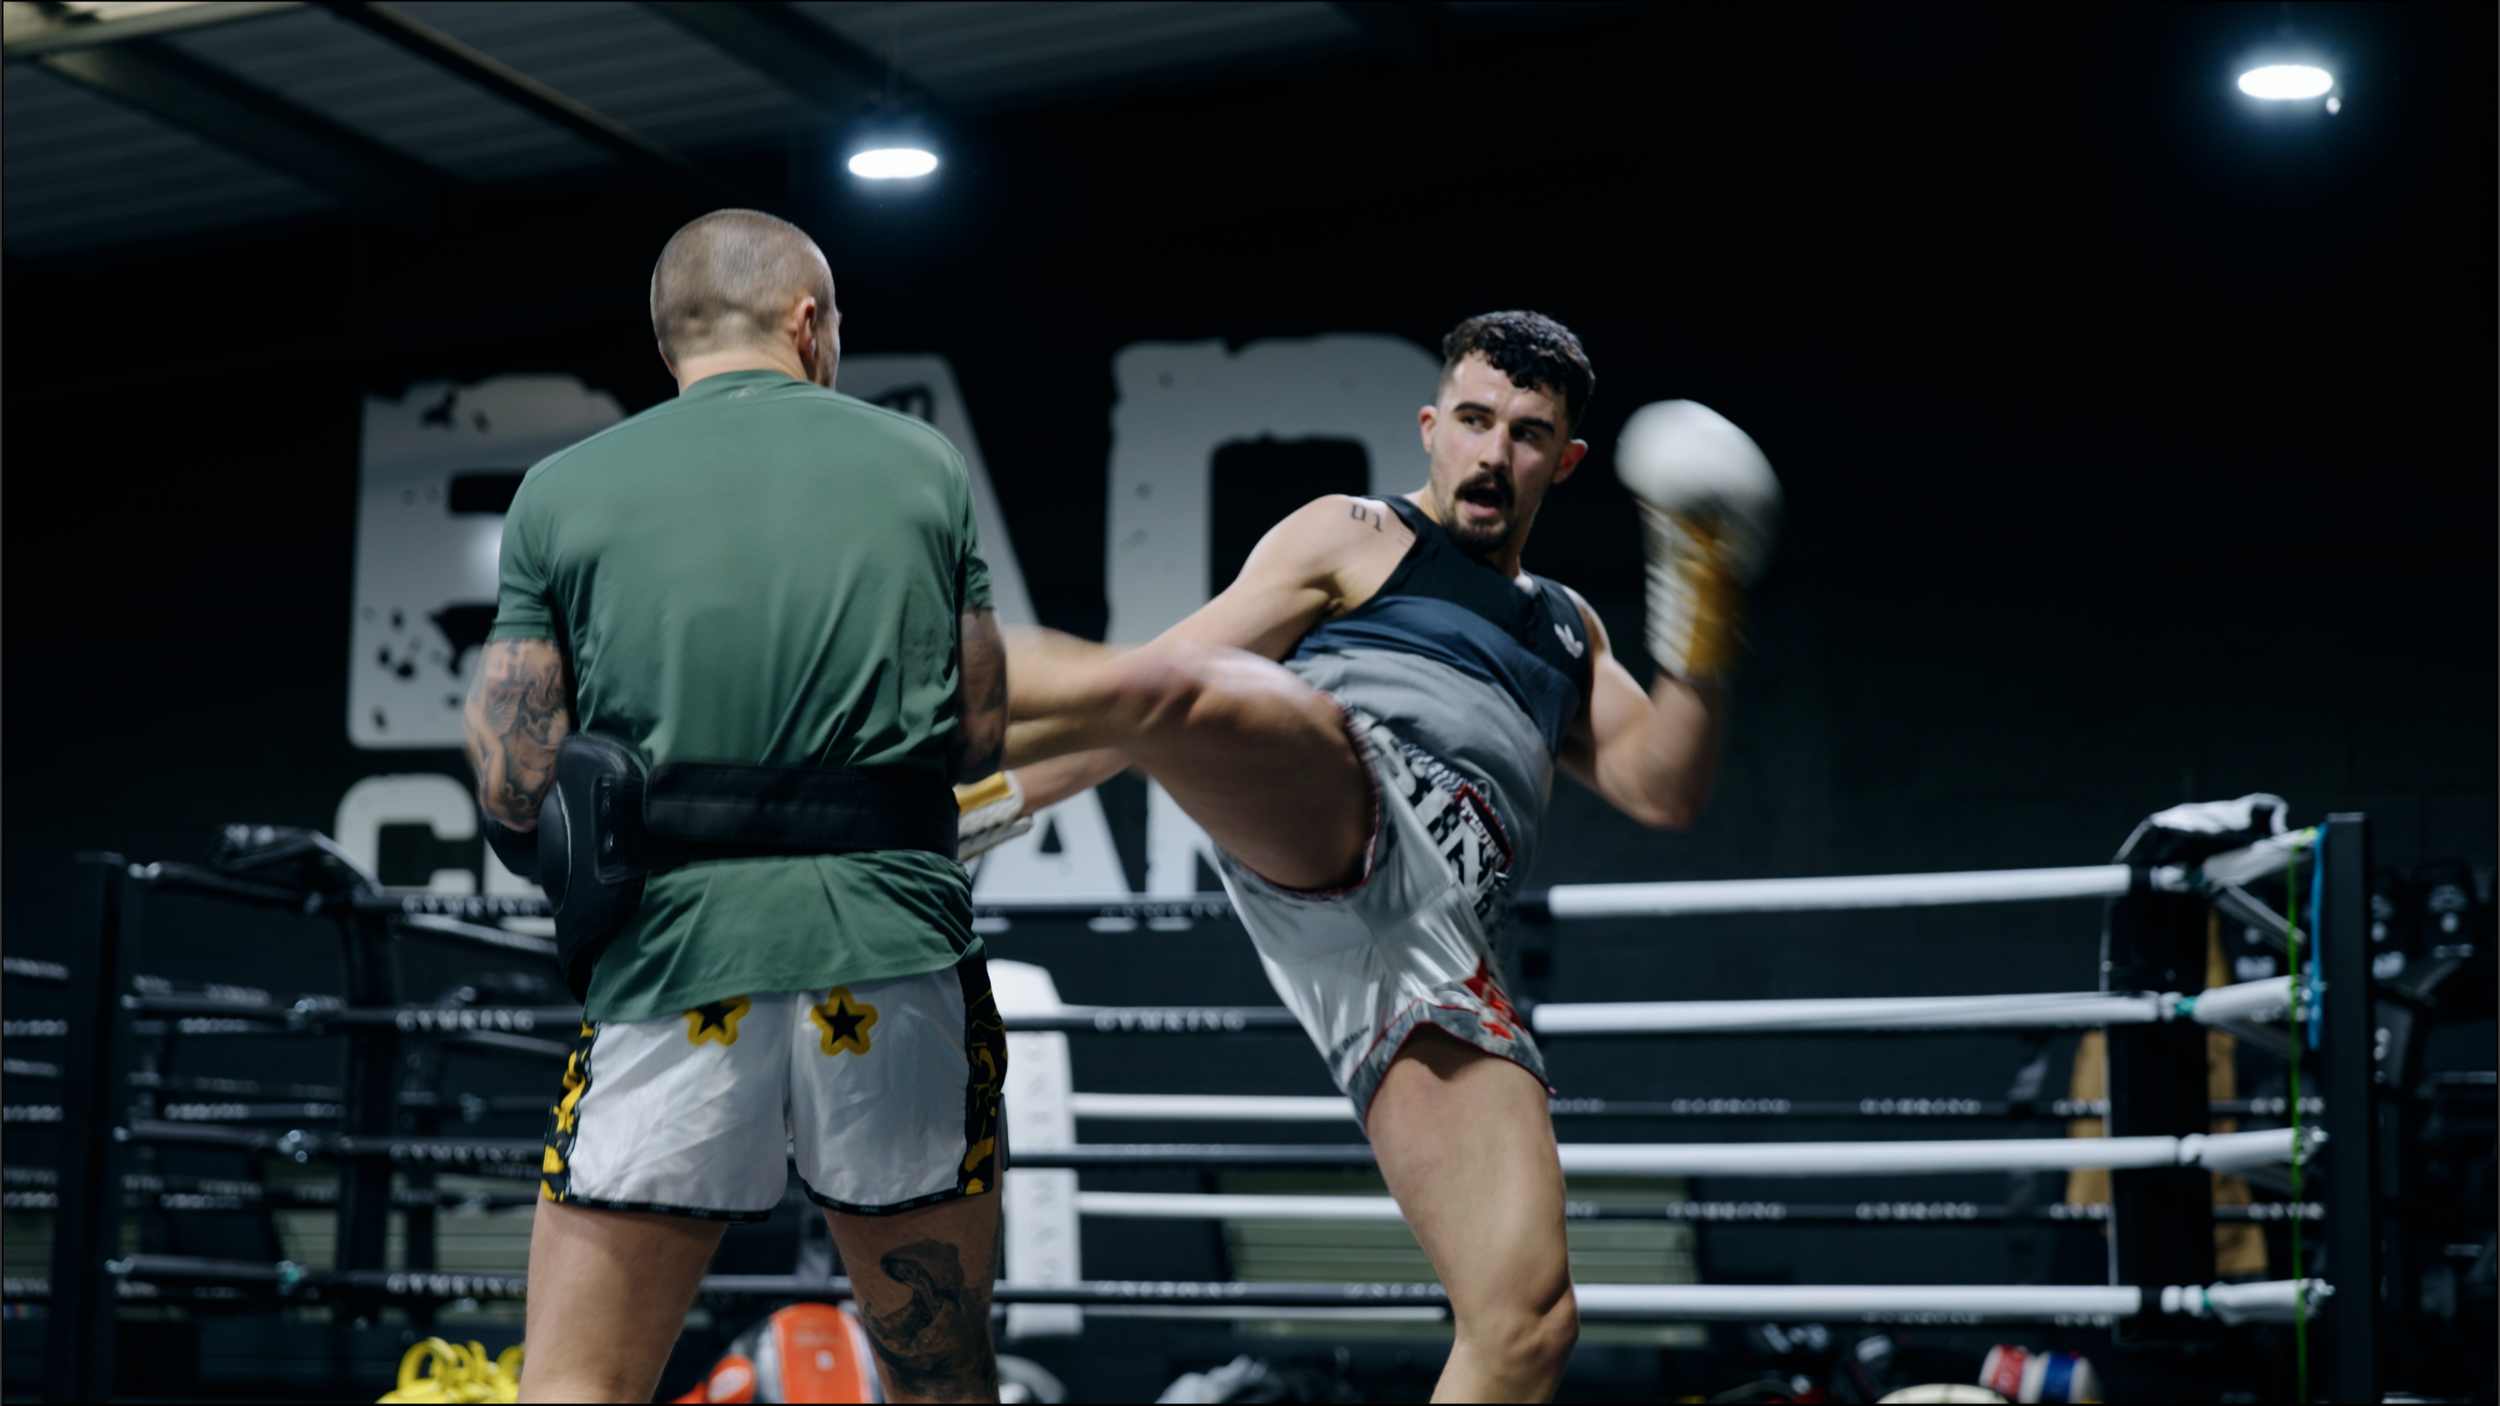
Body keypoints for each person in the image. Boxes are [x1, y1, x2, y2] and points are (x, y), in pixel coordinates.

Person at [993, 311, 1780, 1402]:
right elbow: (1153, 687)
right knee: (1201, 688)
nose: (1493, 453)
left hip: (1439, 948)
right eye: (1472, 420)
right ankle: (875, 687)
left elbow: (1666, 784)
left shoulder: (1564, 628)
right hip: (1347, 801)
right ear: (1429, 427)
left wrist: (1705, 602)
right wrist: (986, 805)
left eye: (1526, 431)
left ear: (1566, 459)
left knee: (1525, 1320)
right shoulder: (1356, 534)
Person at [463, 209, 1009, 1404]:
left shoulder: (561, 489)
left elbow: (510, 783)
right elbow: (977, 731)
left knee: (575, 1383)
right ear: (807, 324)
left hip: (675, 964)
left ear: (670, 343)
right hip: (893, 950)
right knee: (942, 1380)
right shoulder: (922, 463)